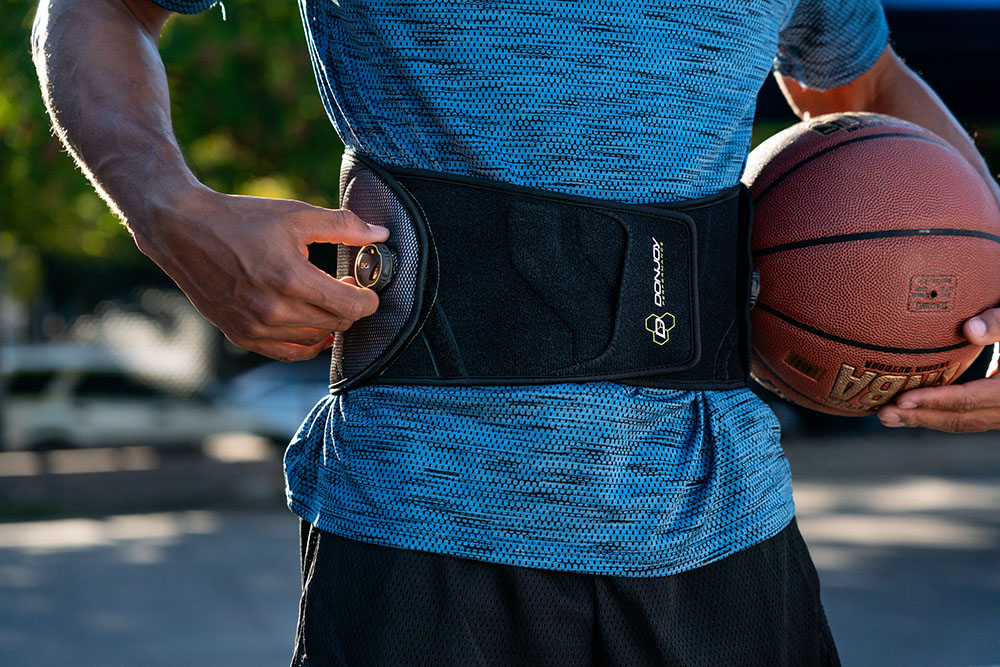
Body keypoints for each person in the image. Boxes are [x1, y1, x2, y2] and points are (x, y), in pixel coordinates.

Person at [31, 0, 1000, 664]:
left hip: (728, 533)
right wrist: (173, 213)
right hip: (425, 531)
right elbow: (97, 11)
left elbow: (859, 96)